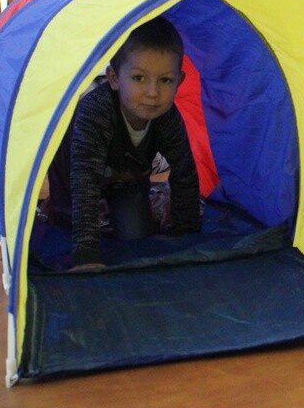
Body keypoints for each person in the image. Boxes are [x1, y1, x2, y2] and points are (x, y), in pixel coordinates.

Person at [62, 17, 201, 266]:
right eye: (138, 78)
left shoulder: (167, 117)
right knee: (65, 221)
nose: (152, 93)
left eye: (165, 80)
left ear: (179, 81)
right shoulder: (97, 111)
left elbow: (185, 172)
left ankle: (113, 207)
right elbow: (84, 180)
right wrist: (86, 255)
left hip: (125, 181)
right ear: (114, 78)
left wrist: (186, 238)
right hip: (76, 178)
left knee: (136, 238)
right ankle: (61, 209)